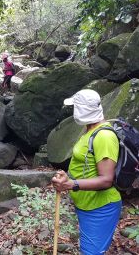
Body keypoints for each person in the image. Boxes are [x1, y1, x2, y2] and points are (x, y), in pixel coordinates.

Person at [52, 89, 121, 255]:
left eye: (76, 107)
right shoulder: (90, 129)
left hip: (100, 208)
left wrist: (71, 184)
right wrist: (67, 176)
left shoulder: (104, 136)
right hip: (86, 204)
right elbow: (85, 164)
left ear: (82, 110)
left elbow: (106, 179)